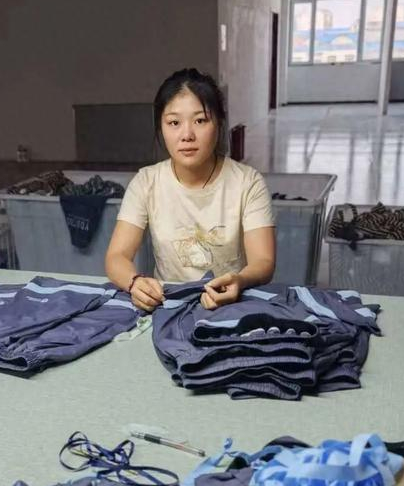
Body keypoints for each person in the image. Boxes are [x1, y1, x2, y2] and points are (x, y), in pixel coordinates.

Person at [105, 68, 276, 312]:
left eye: (200, 121)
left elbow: (264, 261)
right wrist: (134, 283)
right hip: (167, 305)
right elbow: (116, 257)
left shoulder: (247, 182)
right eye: (174, 123)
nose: (187, 135)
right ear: (161, 127)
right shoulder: (146, 182)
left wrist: (240, 280)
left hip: (229, 305)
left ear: (219, 123)